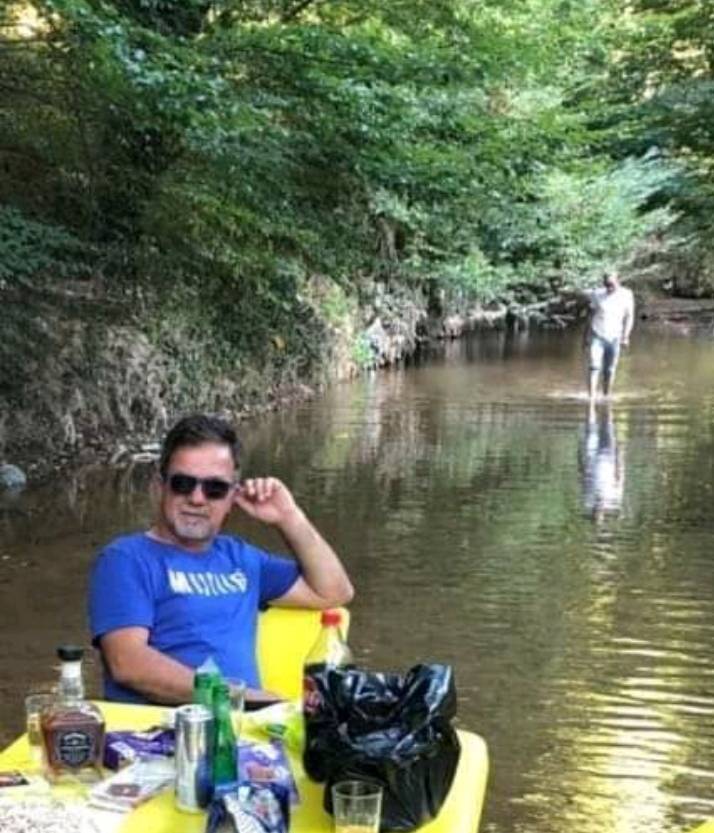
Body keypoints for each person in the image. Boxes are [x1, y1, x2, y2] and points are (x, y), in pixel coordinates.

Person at [88, 413, 354, 705]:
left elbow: (334, 591)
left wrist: (288, 517)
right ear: (159, 487)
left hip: (247, 723)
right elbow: (128, 664)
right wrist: (246, 698)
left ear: (232, 498)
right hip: (166, 725)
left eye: (214, 489)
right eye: (183, 484)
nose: (197, 498)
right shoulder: (126, 559)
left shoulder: (243, 558)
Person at [583, 271, 635, 400]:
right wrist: (585, 336)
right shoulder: (597, 294)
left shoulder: (626, 295)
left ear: (618, 282)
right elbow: (590, 315)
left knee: (610, 370)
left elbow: (629, 317)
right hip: (597, 334)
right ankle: (591, 398)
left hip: (615, 337)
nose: (609, 287)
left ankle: (606, 396)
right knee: (594, 367)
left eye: (611, 284)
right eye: (606, 284)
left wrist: (626, 336)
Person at [579, 400, 625, 523]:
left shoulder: (588, 499)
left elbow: (582, 477)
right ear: (603, 513)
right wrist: (620, 455)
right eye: (598, 514)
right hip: (608, 457)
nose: (597, 512)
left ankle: (597, 400)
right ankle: (599, 400)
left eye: (595, 514)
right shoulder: (614, 498)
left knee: (591, 425)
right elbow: (620, 476)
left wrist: (580, 456)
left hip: (591, 454)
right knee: (608, 423)